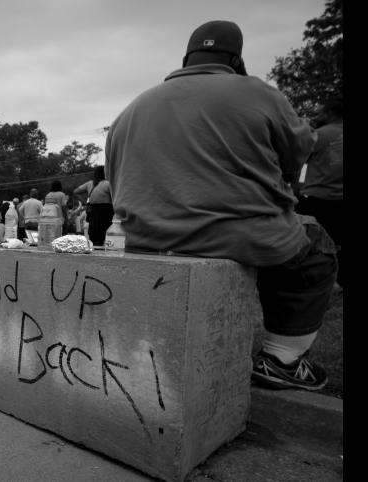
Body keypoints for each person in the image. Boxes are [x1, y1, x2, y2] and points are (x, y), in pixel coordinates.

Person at [105, 20, 335, 391]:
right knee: (316, 245)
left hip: (142, 237)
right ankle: (282, 359)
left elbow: (116, 182)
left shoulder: (132, 107)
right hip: (233, 235)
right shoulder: (256, 91)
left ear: (185, 59)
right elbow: (297, 154)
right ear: (236, 60)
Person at [295, 99, 344, 288]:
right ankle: (338, 281)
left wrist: (296, 185)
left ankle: (314, 281)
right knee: (339, 243)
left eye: (318, 113)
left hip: (316, 198)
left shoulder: (317, 135)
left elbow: (298, 163)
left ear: (329, 114)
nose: (315, 117)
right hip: (340, 200)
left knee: (310, 242)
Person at [73, 166, 113, 246]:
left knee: (94, 234)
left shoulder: (89, 184)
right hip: (106, 211)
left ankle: (94, 249)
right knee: (104, 233)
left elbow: (75, 192)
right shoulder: (108, 184)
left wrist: (85, 202)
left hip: (93, 211)